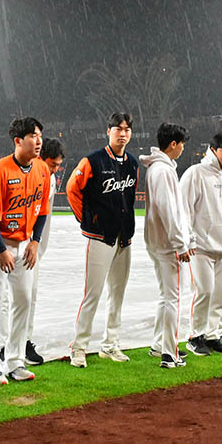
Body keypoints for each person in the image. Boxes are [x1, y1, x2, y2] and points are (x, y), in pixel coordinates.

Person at [0, 117, 50, 386]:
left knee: (23, 300)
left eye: (40, 135)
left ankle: (15, 360)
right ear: (18, 141)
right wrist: (1, 250)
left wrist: (35, 241)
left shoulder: (41, 169)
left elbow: (42, 210)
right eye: (32, 136)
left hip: (24, 243)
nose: (39, 140)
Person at [67, 112, 139, 367]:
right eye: (118, 128)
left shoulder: (132, 162)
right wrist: (87, 220)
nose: (123, 133)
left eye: (127, 129)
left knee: (117, 294)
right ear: (108, 131)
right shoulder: (93, 161)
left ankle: (110, 345)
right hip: (100, 237)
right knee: (93, 294)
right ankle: (79, 347)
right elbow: (72, 189)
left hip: (123, 237)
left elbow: (129, 199)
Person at [180, 132, 222, 356]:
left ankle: (212, 334)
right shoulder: (196, 173)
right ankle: (195, 336)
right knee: (204, 292)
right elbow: (184, 209)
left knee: (218, 296)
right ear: (213, 150)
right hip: (201, 247)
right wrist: (188, 239)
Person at [140, 123, 192, 368]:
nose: (183, 148)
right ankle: (169, 353)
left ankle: (158, 344)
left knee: (165, 296)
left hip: (158, 242)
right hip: (166, 244)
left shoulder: (158, 168)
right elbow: (168, 210)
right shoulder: (162, 170)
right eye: (182, 143)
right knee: (173, 298)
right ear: (174, 144)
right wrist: (180, 243)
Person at [25, 137, 65, 366]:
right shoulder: (28, 176)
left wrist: (37, 243)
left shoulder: (49, 178)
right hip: (20, 243)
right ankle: (3, 344)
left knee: (30, 295)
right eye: (53, 164)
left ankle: (24, 340)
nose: (55, 169)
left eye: (58, 165)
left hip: (36, 247)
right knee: (9, 298)